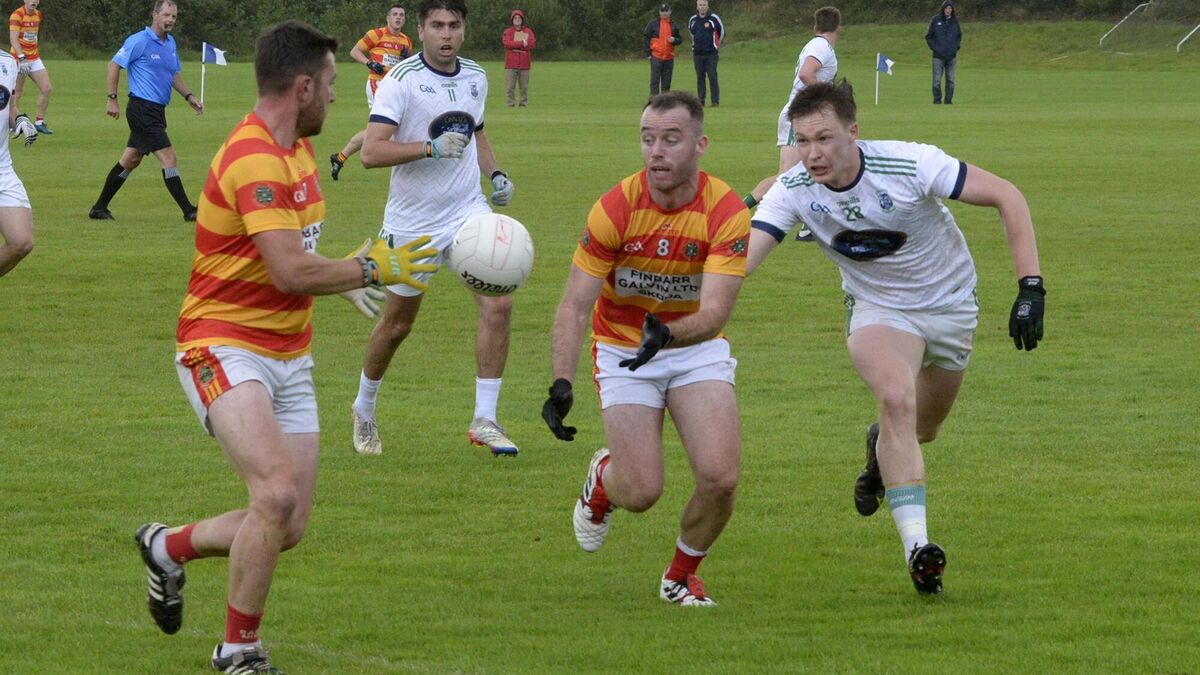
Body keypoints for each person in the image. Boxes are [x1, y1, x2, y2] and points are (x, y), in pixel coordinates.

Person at [133, 20, 437, 674]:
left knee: (287, 522)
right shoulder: (254, 158)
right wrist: (367, 270)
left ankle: (167, 546)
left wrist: (342, 270)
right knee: (273, 494)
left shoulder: (298, 151)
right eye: (330, 83)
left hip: (289, 353)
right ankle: (238, 650)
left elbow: (295, 257)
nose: (336, 95)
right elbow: (288, 271)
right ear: (302, 88)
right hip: (220, 344)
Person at [745, 80, 1045, 595]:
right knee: (896, 398)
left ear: (853, 132)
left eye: (824, 138)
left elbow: (1006, 195)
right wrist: (679, 301)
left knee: (923, 429)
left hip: (951, 304)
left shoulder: (909, 163)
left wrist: (1031, 287)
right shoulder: (793, 188)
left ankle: (879, 446)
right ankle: (918, 549)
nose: (812, 154)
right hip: (879, 310)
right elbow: (741, 261)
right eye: (803, 141)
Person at [543, 91, 751, 606]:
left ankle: (679, 577)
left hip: (694, 346)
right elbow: (574, 305)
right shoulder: (615, 208)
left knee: (720, 479)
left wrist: (669, 336)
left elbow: (715, 313)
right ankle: (603, 480)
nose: (656, 151)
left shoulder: (725, 210)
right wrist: (561, 382)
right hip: (622, 348)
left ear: (700, 145)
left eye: (671, 139)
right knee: (640, 492)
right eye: (647, 139)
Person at [349, 0, 520, 458]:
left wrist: (496, 174)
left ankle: (485, 419)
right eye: (438, 26)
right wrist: (429, 148)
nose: (447, 34)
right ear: (421, 31)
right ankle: (364, 407)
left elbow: (477, 132)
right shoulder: (400, 80)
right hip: (413, 223)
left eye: (454, 26)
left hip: (467, 210)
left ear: (464, 30)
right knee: (398, 325)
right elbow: (371, 152)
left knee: (499, 301)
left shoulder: (475, 76)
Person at [88, 0, 203, 221]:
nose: (170, 20)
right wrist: (112, 99)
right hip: (141, 109)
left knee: (130, 160)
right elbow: (114, 65)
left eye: (174, 16)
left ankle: (99, 208)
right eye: (166, 15)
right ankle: (189, 211)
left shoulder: (170, 43)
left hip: (156, 111)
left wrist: (189, 96)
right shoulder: (139, 40)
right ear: (154, 15)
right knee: (169, 157)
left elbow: (172, 74)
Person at [329, 4, 412, 181]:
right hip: (378, 84)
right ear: (388, 18)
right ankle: (404, 168)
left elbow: (408, 66)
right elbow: (355, 51)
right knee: (387, 129)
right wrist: (369, 63)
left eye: (401, 15)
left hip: (395, 87)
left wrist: (408, 57)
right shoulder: (377, 34)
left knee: (376, 131)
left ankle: (340, 158)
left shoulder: (406, 40)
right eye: (395, 14)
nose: (398, 17)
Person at [0, 51, 39, 279]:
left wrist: (20, 120)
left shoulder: (8, 62)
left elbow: (10, 107)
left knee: (21, 242)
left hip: (2, 168)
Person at [8, 0, 52, 134]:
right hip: (19, 59)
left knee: (46, 88)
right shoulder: (17, 15)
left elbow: (33, 36)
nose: (34, 1)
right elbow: (13, 39)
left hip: (34, 58)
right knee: (17, 93)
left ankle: (39, 123)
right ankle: (13, 124)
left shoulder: (38, 14)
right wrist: (22, 57)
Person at [926, 0, 961, 104]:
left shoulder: (955, 21)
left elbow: (959, 36)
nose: (948, 10)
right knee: (937, 79)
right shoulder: (935, 20)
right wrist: (936, 48)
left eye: (950, 8)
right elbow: (929, 37)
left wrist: (955, 48)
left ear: (952, 10)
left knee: (951, 79)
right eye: (946, 8)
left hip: (951, 56)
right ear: (943, 9)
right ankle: (937, 100)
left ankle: (948, 100)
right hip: (938, 56)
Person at [688, 0, 722, 107]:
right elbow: (691, 32)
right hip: (698, 54)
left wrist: (716, 45)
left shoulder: (714, 18)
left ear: (707, 6)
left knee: (712, 76)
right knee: (700, 77)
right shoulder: (693, 20)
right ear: (697, 7)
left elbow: (721, 32)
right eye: (700, 5)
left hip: (711, 54)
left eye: (704, 5)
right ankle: (701, 101)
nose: (702, 7)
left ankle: (715, 101)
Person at [643, 3, 681, 97]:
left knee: (666, 83)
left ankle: (665, 102)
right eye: (662, 11)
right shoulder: (653, 24)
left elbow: (680, 39)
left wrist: (674, 40)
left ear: (670, 12)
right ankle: (654, 101)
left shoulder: (674, 25)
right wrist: (648, 53)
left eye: (666, 11)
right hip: (656, 57)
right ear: (659, 12)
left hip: (669, 58)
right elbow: (646, 37)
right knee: (654, 82)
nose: (664, 13)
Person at [501, 9, 535, 107]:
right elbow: (507, 44)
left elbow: (531, 44)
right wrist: (522, 43)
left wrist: (517, 46)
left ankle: (523, 104)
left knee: (524, 87)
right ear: (512, 20)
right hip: (511, 64)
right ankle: (510, 104)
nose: (517, 19)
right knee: (510, 87)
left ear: (522, 19)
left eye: (519, 18)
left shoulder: (528, 31)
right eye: (515, 18)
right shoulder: (508, 32)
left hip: (525, 64)